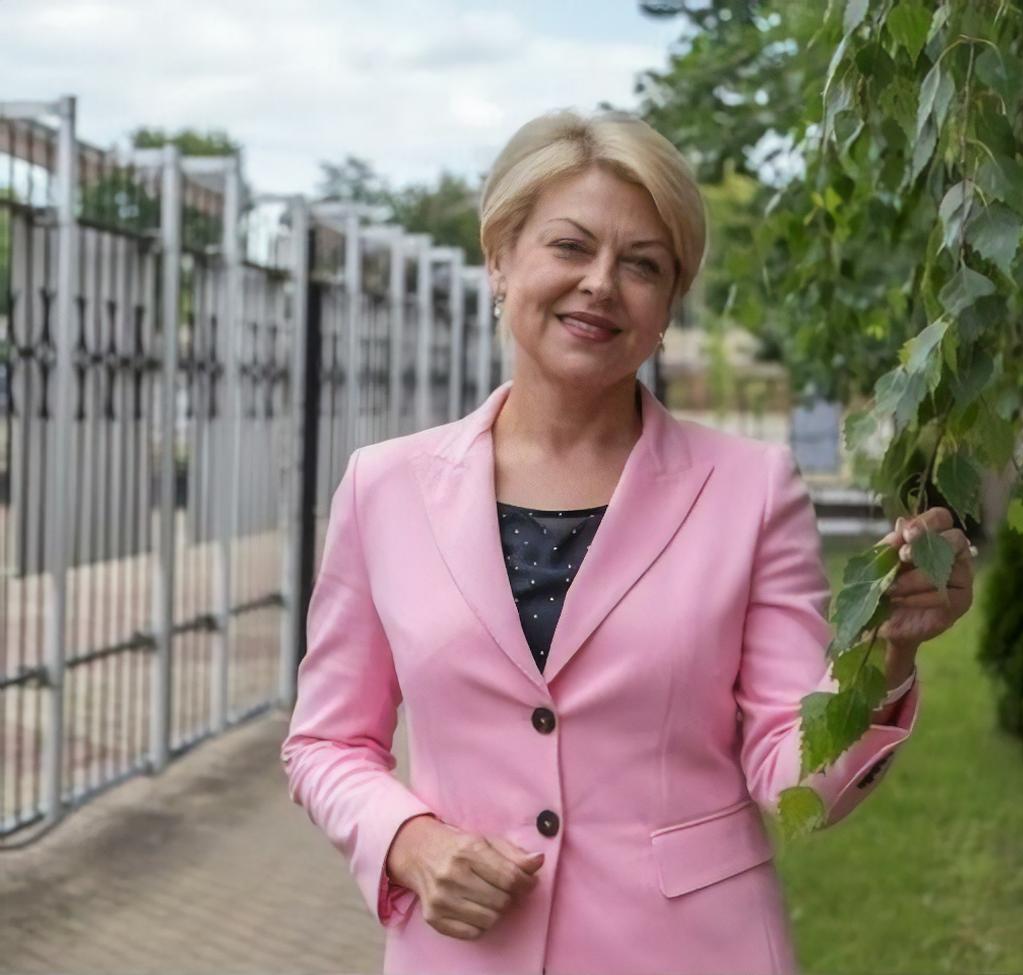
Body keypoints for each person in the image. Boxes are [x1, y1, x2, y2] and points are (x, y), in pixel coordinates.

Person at [280, 108, 975, 975]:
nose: (601, 284)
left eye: (641, 264)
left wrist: (882, 657)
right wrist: (407, 841)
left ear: (668, 301)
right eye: (570, 247)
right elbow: (325, 742)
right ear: (500, 257)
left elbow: (792, 784)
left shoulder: (750, 491)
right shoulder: (383, 488)